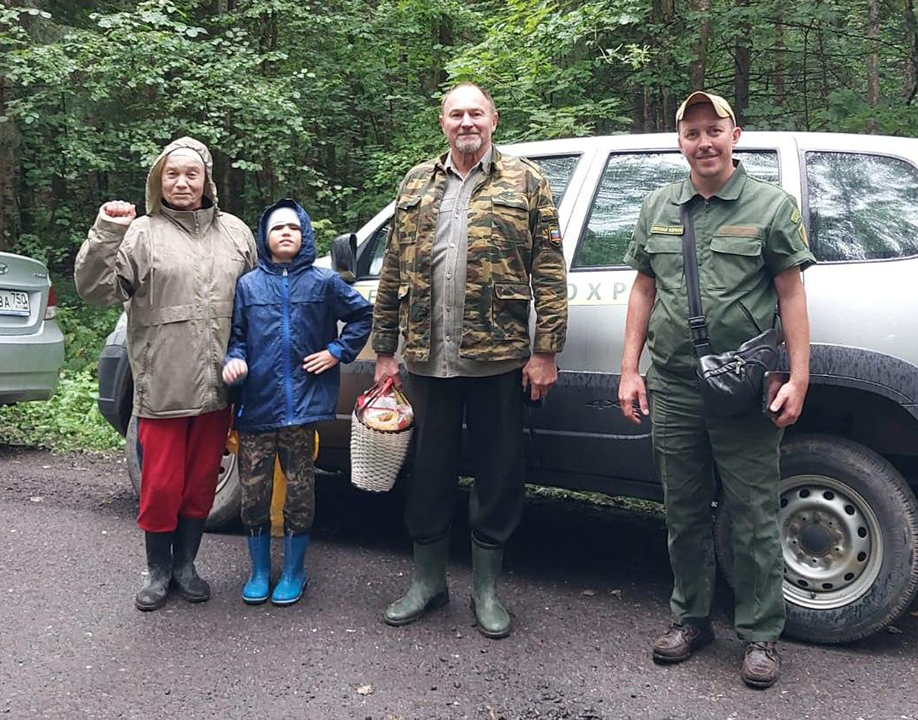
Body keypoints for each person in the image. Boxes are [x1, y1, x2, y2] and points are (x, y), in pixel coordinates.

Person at [617, 91, 816, 688]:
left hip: (742, 389)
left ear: (735, 134)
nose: (703, 142)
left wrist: (798, 375)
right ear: (680, 140)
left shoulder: (769, 205)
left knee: (754, 516)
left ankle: (760, 636)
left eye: (714, 130)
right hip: (674, 385)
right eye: (692, 132)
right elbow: (642, 291)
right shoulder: (657, 205)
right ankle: (691, 619)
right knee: (683, 511)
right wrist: (630, 369)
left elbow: (791, 295)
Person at [372, 82, 568, 638]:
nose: (466, 122)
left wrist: (546, 350)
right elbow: (391, 272)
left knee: (498, 474)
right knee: (427, 473)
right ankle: (427, 583)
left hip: (499, 358)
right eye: (456, 113)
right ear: (442, 122)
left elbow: (550, 271)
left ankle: (487, 590)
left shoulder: (526, 181)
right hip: (426, 360)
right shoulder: (415, 182)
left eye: (475, 113)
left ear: (493, 119)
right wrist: (384, 350)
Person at [75, 137, 258, 611]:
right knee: (160, 486)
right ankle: (157, 571)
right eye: (172, 174)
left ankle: (186, 566)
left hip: (221, 388)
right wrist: (107, 232)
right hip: (162, 386)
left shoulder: (236, 233)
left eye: (191, 174)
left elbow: (258, 304)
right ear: (159, 180)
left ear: (206, 181)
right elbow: (96, 291)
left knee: (201, 484)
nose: (182, 182)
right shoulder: (141, 233)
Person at [222, 199, 372, 606]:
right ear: (264, 238)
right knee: (254, 493)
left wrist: (337, 351)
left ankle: (293, 570)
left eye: (293, 227)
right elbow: (235, 337)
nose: (285, 233)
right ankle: (257, 570)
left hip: (302, 410)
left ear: (305, 234)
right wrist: (234, 361)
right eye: (276, 229)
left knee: (299, 492)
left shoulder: (322, 282)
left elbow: (363, 315)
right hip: (256, 408)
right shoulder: (248, 285)